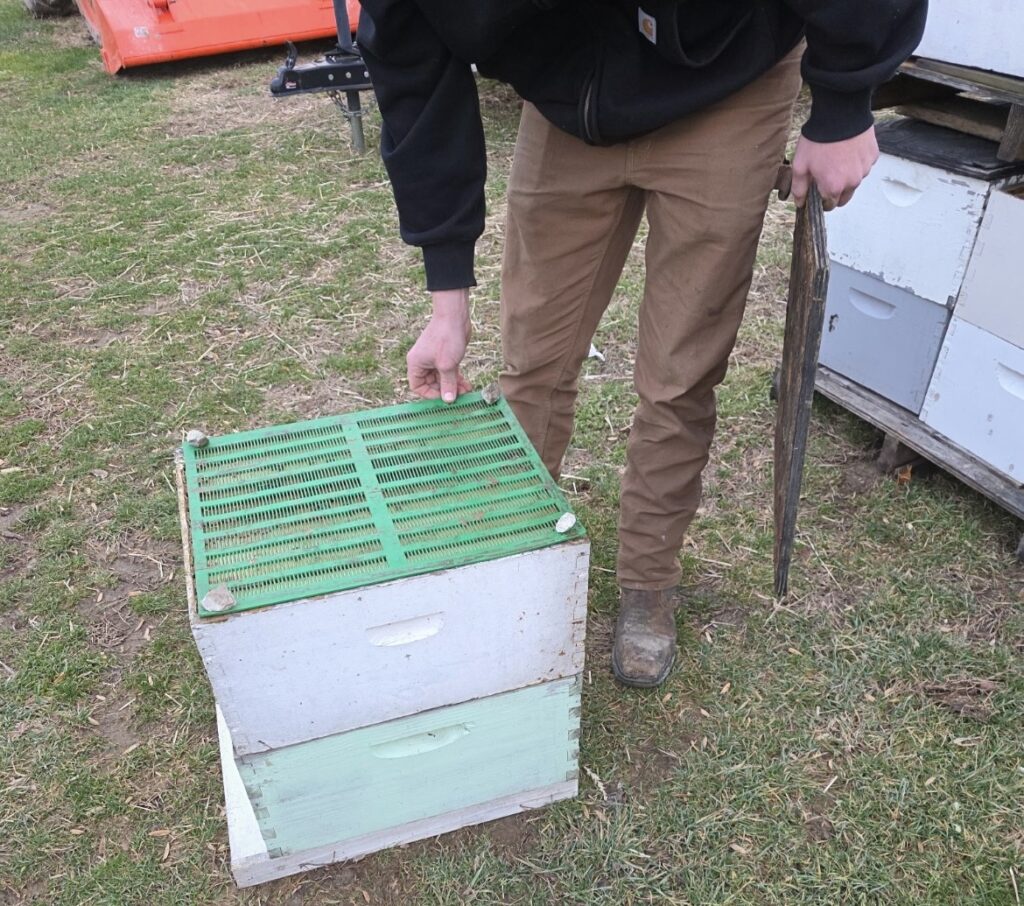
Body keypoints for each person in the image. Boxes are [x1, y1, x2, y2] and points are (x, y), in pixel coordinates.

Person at [357, 0, 927, 687]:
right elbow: (415, 70)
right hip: (568, 102)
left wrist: (844, 101)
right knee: (531, 361)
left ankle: (648, 581)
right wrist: (446, 296)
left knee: (678, 375)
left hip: (726, 83)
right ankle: (508, 561)